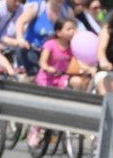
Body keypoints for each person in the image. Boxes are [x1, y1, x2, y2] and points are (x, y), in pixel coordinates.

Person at [30, 17, 83, 149]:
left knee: (73, 85)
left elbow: (80, 61)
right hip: (47, 77)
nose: (72, 32)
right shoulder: (50, 44)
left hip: (61, 77)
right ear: (59, 32)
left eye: (74, 28)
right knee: (45, 104)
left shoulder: (74, 47)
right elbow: (42, 61)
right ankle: (36, 130)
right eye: (69, 29)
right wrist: (47, 68)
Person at [14, 0, 77, 76]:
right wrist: (20, 38)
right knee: (34, 77)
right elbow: (20, 22)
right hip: (33, 51)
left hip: (54, 55)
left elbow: (75, 31)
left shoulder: (67, 11)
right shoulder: (38, 8)